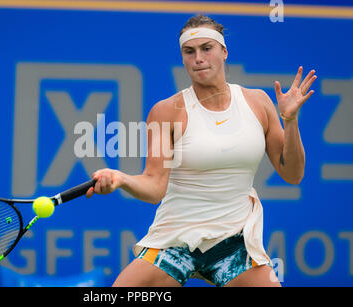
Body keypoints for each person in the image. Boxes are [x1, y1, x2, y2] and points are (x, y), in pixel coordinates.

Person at [85, 14, 316, 287]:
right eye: (189, 51)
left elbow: (293, 174)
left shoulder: (258, 103)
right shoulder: (166, 111)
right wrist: (121, 179)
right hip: (175, 240)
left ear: (224, 52)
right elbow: (154, 186)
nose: (198, 58)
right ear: (182, 57)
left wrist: (290, 121)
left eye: (207, 48)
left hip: (235, 241)